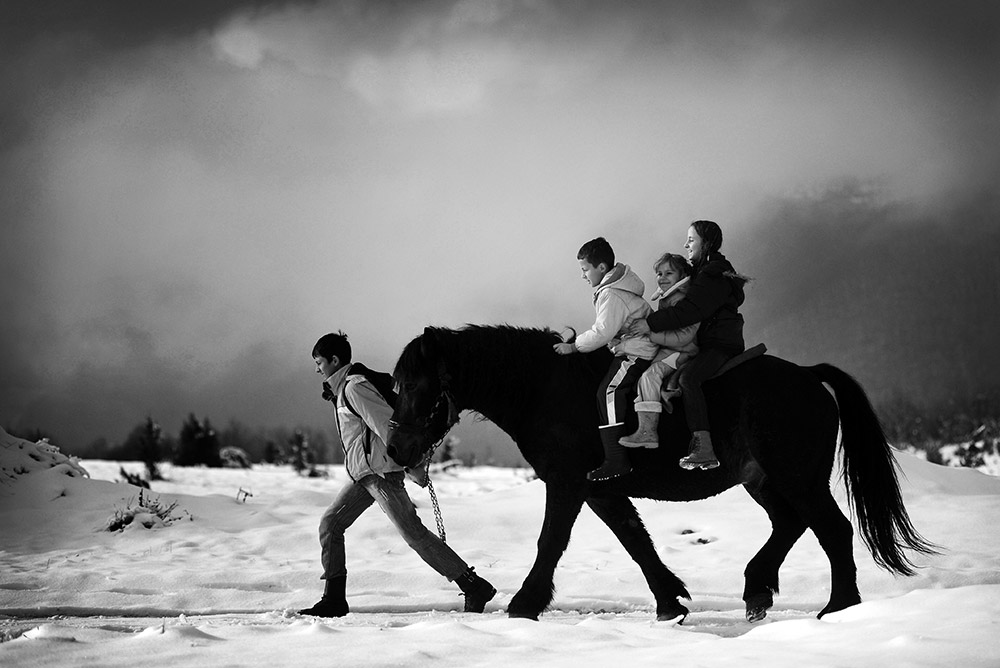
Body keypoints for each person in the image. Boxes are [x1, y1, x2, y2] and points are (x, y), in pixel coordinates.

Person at [299, 331, 496, 617]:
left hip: (381, 474)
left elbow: (386, 426)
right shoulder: (341, 390)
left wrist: (408, 465)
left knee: (414, 535)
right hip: (364, 476)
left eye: (319, 362)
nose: (317, 368)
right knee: (330, 525)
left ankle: (473, 586)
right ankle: (333, 599)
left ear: (334, 360)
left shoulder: (354, 388)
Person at [630, 220, 747, 470]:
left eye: (691, 240)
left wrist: (650, 323)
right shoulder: (706, 272)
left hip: (720, 345)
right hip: (715, 341)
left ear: (706, 242)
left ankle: (703, 447)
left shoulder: (712, 274)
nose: (686, 244)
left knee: (689, 380)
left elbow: (689, 311)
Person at [553, 237, 659, 481]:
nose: (583, 276)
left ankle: (616, 459)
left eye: (585, 269)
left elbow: (603, 332)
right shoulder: (615, 288)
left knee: (608, 392)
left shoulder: (611, 294)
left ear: (601, 268)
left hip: (637, 350)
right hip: (630, 345)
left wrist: (574, 347)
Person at [619, 252, 699, 448]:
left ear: (681, 276)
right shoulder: (668, 297)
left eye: (669, 273)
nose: (662, 278)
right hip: (670, 348)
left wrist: (651, 335)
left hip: (683, 351)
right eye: (659, 274)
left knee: (650, 376)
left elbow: (685, 335)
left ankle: (648, 431)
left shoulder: (682, 300)